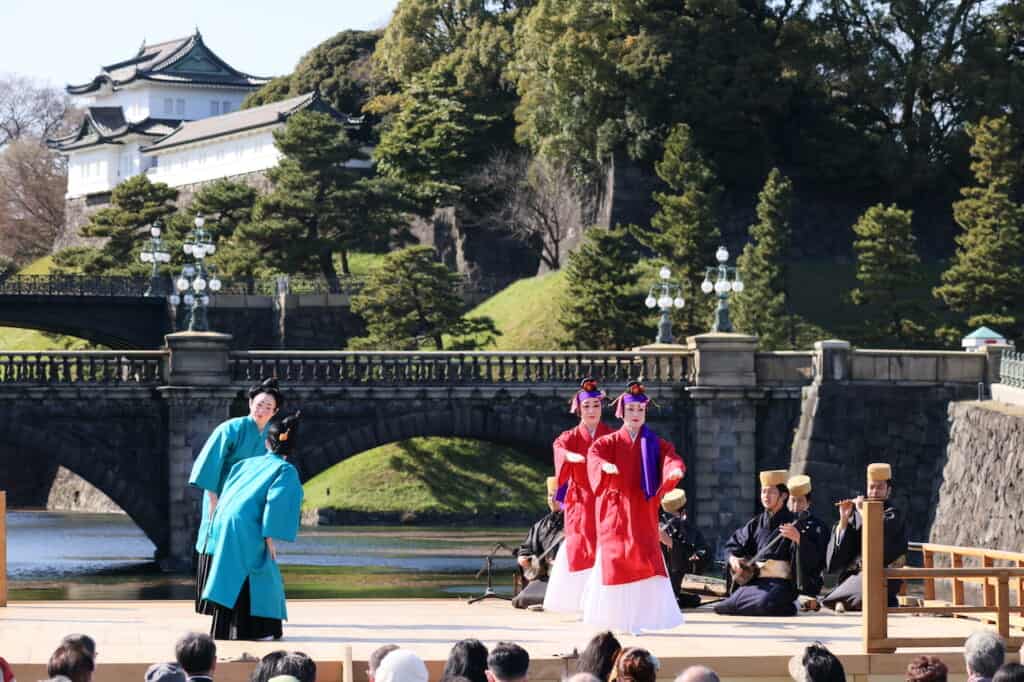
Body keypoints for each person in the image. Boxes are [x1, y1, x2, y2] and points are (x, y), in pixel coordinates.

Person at [583, 381, 685, 634]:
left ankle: (645, 619)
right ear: (622, 413)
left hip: (642, 508)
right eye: (631, 411)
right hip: (616, 508)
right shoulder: (609, 442)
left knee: (644, 556)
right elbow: (594, 454)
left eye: (640, 410)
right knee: (616, 558)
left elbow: (670, 456)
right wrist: (603, 467)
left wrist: (673, 468)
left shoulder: (653, 442)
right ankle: (615, 619)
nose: (636, 415)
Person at [200, 412, 304, 640]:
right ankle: (259, 630)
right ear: (292, 448)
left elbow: (228, 491)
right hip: (250, 525)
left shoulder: (246, 464)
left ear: (268, 442)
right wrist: (270, 540)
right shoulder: (285, 470)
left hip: (226, 520)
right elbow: (276, 504)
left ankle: (225, 629)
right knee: (262, 574)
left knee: (229, 572)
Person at [192, 378, 283, 615]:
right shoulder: (230, 429)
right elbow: (209, 465)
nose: (261, 410)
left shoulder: (272, 438)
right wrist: (214, 501)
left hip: (252, 501)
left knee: (252, 547)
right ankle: (214, 603)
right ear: (250, 402)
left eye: (268, 407)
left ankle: (246, 607)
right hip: (222, 495)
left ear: (275, 411)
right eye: (259, 404)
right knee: (219, 543)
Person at [544, 378, 614, 613]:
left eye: (596, 406)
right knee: (580, 546)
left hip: (605, 500)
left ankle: (603, 599)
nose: (592, 411)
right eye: (587, 407)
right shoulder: (571, 436)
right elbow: (558, 446)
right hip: (581, 500)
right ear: (579, 410)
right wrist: (568, 457)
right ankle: (577, 600)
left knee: (606, 546)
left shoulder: (609, 435)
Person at [714, 470, 822, 617]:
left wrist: (799, 539)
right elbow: (733, 546)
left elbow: (815, 558)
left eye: (771, 492)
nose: (766, 496)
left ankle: (792, 605)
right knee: (724, 607)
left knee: (763, 605)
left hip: (781, 583)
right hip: (756, 581)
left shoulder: (796, 524)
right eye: (763, 491)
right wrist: (733, 560)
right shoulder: (756, 523)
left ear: (783, 496)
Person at [822, 463, 908, 612]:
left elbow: (878, 532)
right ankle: (848, 600)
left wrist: (862, 510)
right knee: (830, 599)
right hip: (857, 574)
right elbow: (844, 550)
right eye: (871, 487)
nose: (874, 492)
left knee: (863, 595)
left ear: (888, 490)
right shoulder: (857, 514)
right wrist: (843, 520)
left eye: (879, 487)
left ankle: (849, 601)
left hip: (882, 574)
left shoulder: (893, 514)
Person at [513, 477, 564, 608]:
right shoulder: (541, 525)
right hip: (544, 576)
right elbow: (526, 548)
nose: (551, 499)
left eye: (556, 495)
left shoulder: (575, 521)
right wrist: (523, 557)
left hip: (565, 577)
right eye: (549, 495)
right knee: (520, 600)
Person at [658, 488, 710, 609]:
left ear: (683, 514)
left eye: (675, 516)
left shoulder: (691, 531)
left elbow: (703, 555)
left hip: (684, 592)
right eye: (668, 517)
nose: (672, 522)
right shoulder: (657, 530)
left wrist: (672, 544)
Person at [786, 475, 829, 611]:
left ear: (808, 503)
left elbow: (820, 559)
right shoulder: (782, 521)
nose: (795, 506)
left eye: (800, 501)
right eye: (792, 501)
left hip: (808, 583)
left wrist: (800, 540)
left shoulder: (819, 527)